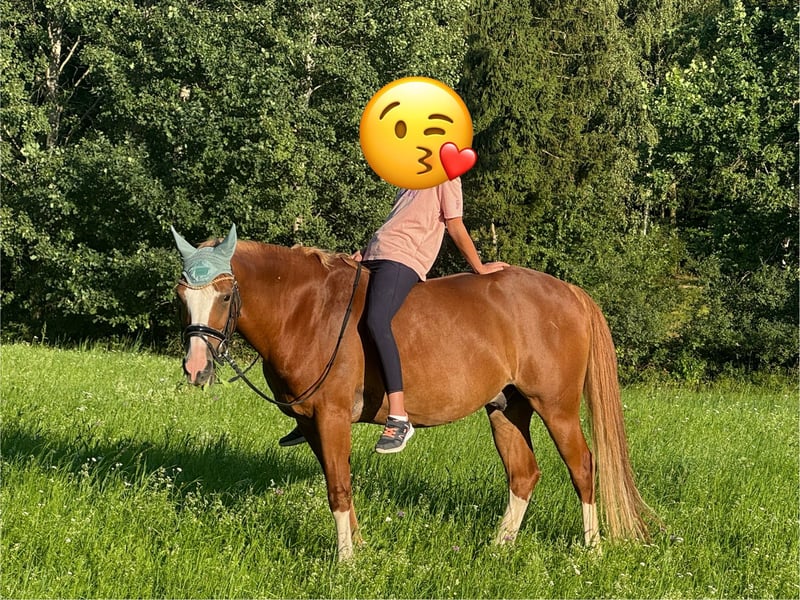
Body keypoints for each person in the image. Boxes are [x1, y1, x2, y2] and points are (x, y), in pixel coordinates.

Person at [279, 177, 509, 453]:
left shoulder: (447, 175)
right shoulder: (411, 174)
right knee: (334, 316)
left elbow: (455, 224)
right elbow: (400, 221)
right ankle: (317, 408)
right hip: (376, 255)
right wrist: (366, 252)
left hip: (403, 259)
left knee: (377, 321)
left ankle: (399, 416)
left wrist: (479, 267)